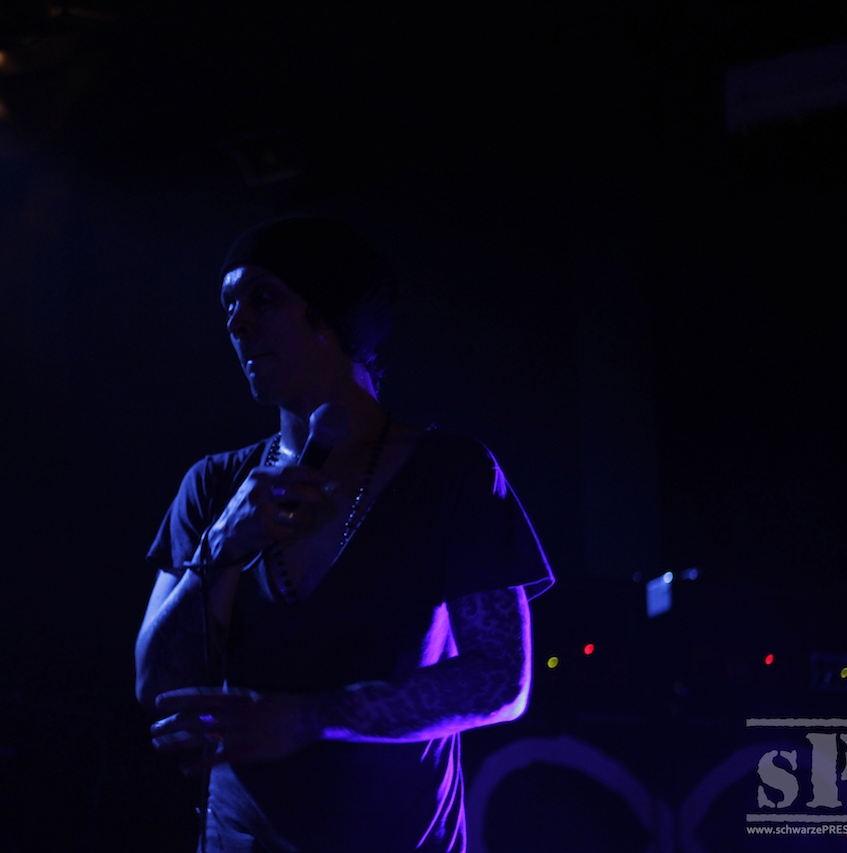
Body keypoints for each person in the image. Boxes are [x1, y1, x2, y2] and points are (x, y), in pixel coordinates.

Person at [135, 217, 554, 852]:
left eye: (262, 298)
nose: (236, 324)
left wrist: (310, 718)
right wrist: (222, 546)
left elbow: (500, 677)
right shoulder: (214, 486)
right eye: (228, 306)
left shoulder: (451, 474)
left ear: (331, 316)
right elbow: (156, 683)